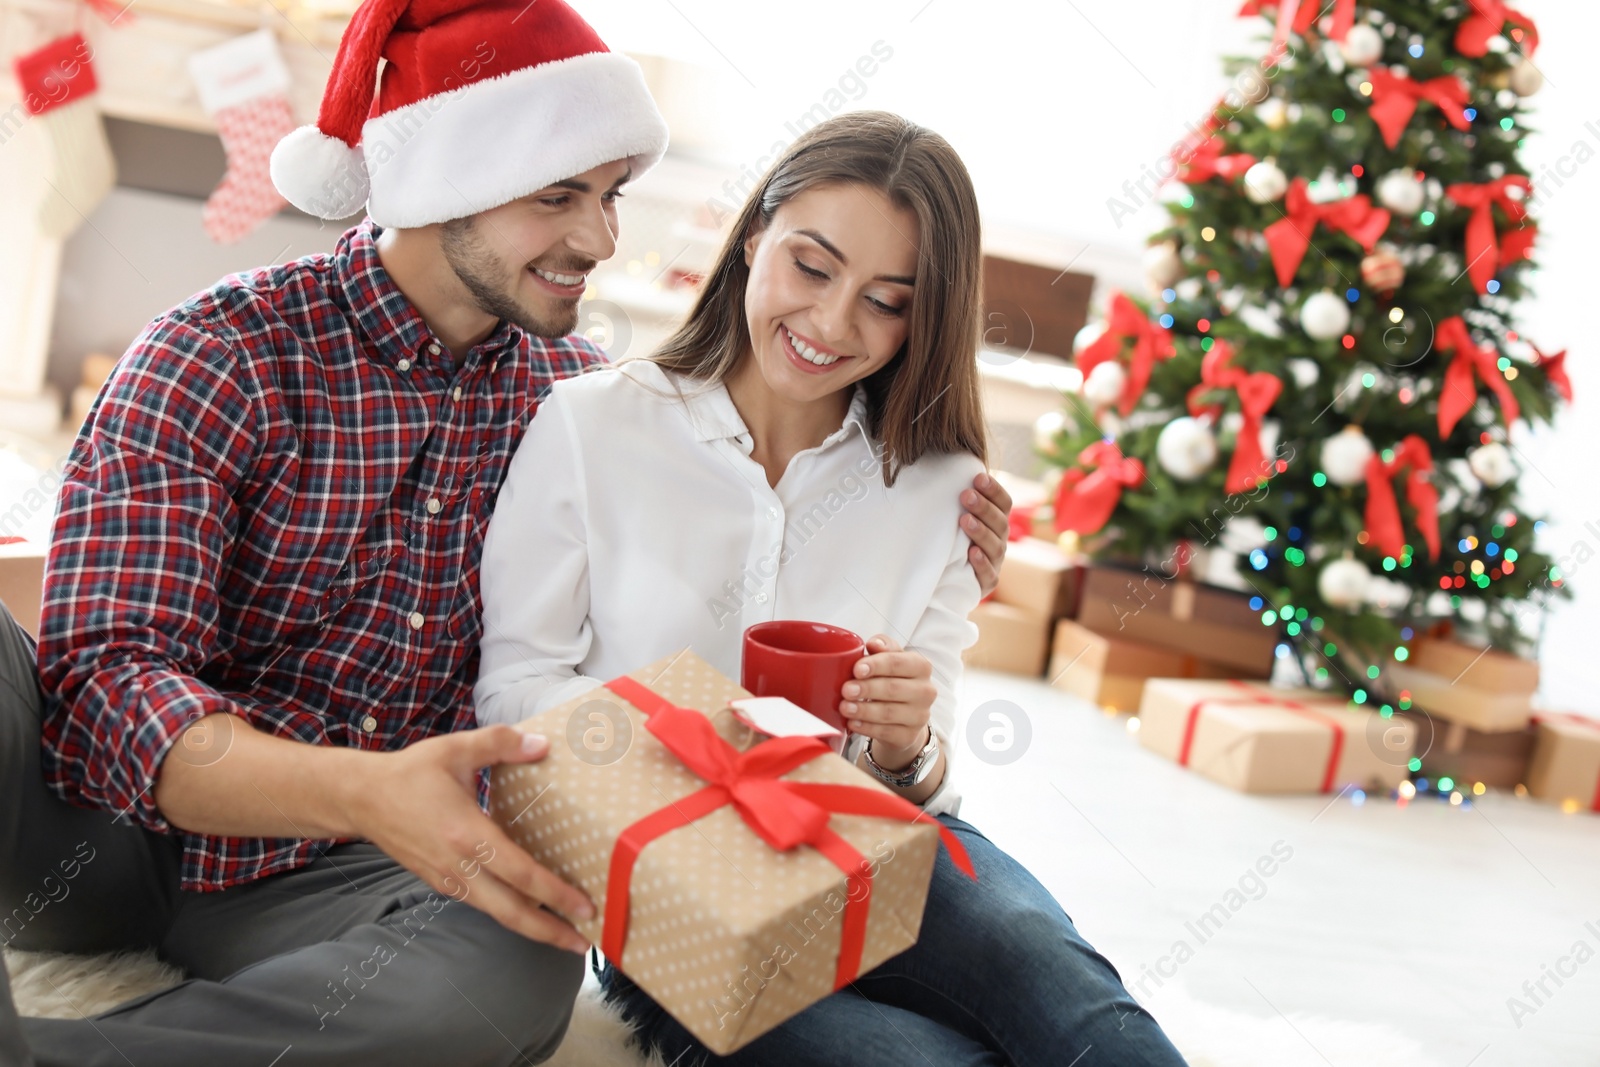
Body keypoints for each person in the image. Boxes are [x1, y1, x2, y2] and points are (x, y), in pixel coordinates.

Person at [0, 3, 1017, 1065]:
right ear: (443, 180)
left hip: (335, 877)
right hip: (92, 838)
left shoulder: (583, 408)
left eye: (610, 194)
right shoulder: (220, 352)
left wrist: (932, 520)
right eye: (557, 196)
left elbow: (736, 521)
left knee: (523, 955)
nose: (601, 237)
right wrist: (361, 787)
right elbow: (110, 682)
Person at [473, 112, 1187, 1067]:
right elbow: (514, 689)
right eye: (812, 267)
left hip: (875, 850)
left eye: (888, 300)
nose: (832, 324)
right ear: (755, 236)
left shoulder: (940, 485)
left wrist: (905, 743)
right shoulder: (593, 427)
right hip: (675, 883)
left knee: (1093, 1023)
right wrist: (684, 730)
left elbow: (927, 776)